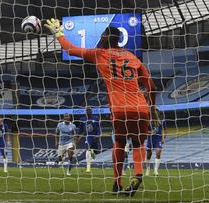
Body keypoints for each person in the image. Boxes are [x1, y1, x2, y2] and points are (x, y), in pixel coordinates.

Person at [45, 19, 157, 196]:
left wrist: (59, 33)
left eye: (102, 35)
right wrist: (151, 107)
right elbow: (151, 85)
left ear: (105, 37)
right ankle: (137, 174)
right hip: (140, 107)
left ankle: (117, 183)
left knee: (119, 143)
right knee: (137, 143)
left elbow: (71, 49)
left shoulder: (99, 54)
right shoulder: (132, 56)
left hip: (119, 109)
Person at [78, 107, 101, 173]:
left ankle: (93, 152)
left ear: (91, 111)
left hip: (95, 137)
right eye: (87, 110)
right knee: (88, 149)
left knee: (95, 153)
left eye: (89, 110)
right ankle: (88, 168)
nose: (88, 111)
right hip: (88, 137)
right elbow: (81, 129)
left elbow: (98, 127)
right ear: (85, 112)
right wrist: (78, 136)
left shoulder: (96, 118)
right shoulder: (82, 119)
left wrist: (98, 135)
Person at [145, 109, 166, 176]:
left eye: (156, 112)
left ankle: (155, 171)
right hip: (150, 139)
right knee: (149, 155)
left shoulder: (162, 120)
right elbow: (144, 131)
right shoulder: (148, 121)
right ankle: (148, 170)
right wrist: (150, 132)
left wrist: (163, 138)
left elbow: (164, 130)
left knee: (158, 152)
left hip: (158, 139)